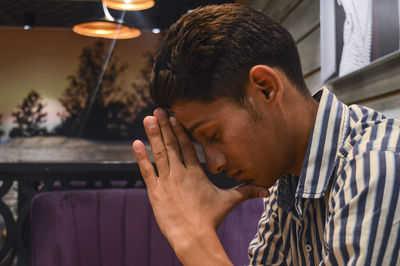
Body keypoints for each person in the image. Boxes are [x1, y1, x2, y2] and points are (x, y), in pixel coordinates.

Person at [132, 4, 400, 265]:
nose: (215, 164)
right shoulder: (286, 182)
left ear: (266, 88)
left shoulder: (378, 165)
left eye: (213, 135)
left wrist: (193, 238)